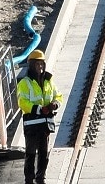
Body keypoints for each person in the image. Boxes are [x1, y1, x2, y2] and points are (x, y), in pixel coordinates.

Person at [18, 50, 63, 184]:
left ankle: (41, 177)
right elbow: (22, 102)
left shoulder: (49, 81)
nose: (40, 67)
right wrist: (38, 109)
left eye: (41, 64)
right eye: (37, 64)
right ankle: (29, 179)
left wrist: (54, 105)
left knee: (43, 153)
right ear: (31, 65)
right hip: (32, 124)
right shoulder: (24, 83)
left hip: (45, 124)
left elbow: (58, 95)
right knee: (31, 154)